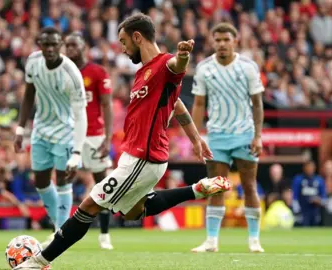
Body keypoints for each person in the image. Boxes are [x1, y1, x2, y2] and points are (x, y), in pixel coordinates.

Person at [14, 13, 231, 269]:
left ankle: (37, 263)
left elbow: (177, 65)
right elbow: (178, 105)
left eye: (124, 42)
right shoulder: (143, 73)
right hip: (137, 156)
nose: (124, 49)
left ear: (137, 37)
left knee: (88, 206)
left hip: (144, 158)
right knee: (132, 212)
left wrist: (183, 55)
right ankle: (198, 189)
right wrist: (196, 139)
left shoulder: (164, 66)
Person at [190, 23, 265, 253]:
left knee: (249, 186)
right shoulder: (204, 68)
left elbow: (257, 103)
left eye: (226, 40)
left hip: (244, 134)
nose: (222, 44)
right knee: (216, 188)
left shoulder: (248, 67)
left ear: (236, 40)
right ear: (213, 42)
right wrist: (196, 138)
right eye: (218, 40)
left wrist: (258, 136)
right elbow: (199, 104)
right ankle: (211, 241)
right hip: (217, 136)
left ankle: (254, 240)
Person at [14, 27, 88, 246]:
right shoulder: (33, 62)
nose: (50, 48)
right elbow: (28, 95)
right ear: (40, 44)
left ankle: (60, 232)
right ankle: (59, 224)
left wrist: (76, 151)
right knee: (41, 181)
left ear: (60, 45)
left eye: (55, 44)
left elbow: (80, 114)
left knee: (64, 180)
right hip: (40, 130)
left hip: (65, 132)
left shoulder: (71, 73)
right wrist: (20, 129)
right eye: (46, 44)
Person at [65, 32, 115, 250]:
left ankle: (104, 234)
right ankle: (58, 228)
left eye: (74, 45)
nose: (70, 49)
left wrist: (108, 138)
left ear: (84, 47)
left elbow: (107, 105)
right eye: (67, 46)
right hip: (68, 133)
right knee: (62, 179)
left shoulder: (97, 72)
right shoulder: (62, 72)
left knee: (101, 182)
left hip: (94, 134)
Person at [292, 160, 326, 226]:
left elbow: (324, 197)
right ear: (304, 168)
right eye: (308, 167)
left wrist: (319, 201)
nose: (310, 169)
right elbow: (294, 196)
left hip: (315, 210)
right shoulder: (298, 179)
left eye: (311, 167)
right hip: (303, 210)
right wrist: (296, 210)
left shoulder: (319, 180)